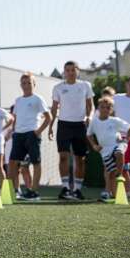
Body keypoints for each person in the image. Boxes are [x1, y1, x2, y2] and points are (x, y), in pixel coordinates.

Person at [49, 61, 94, 200]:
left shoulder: (85, 85)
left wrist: (89, 117)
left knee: (80, 159)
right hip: (63, 125)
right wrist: (50, 125)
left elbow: (90, 106)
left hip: (80, 125)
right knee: (63, 156)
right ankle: (66, 188)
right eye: (67, 70)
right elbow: (54, 108)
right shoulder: (57, 87)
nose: (70, 72)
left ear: (77, 71)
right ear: (64, 72)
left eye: (73, 70)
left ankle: (78, 190)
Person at [8, 73, 51, 200]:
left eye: (29, 83)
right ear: (21, 85)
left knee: (36, 163)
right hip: (18, 136)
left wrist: (37, 132)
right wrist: (14, 131)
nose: (26, 85)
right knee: (12, 163)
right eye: (24, 83)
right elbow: (15, 118)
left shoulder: (38, 99)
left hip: (32, 134)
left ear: (34, 84)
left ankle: (34, 192)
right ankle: (15, 190)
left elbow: (49, 118)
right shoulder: (18, 100)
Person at [86, 97, 130, 201]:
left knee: (119, 153)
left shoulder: (115, 120)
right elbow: (89, 135)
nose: (105, 109)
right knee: (110, 172)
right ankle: (113, 194)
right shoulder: (94, 122)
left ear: (111, 110)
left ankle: (120, 174)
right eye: (102, 107)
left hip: (118, 145)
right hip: (105, 150)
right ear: (98, 108)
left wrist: (126, 140)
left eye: (108, 108)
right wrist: (94, 145)